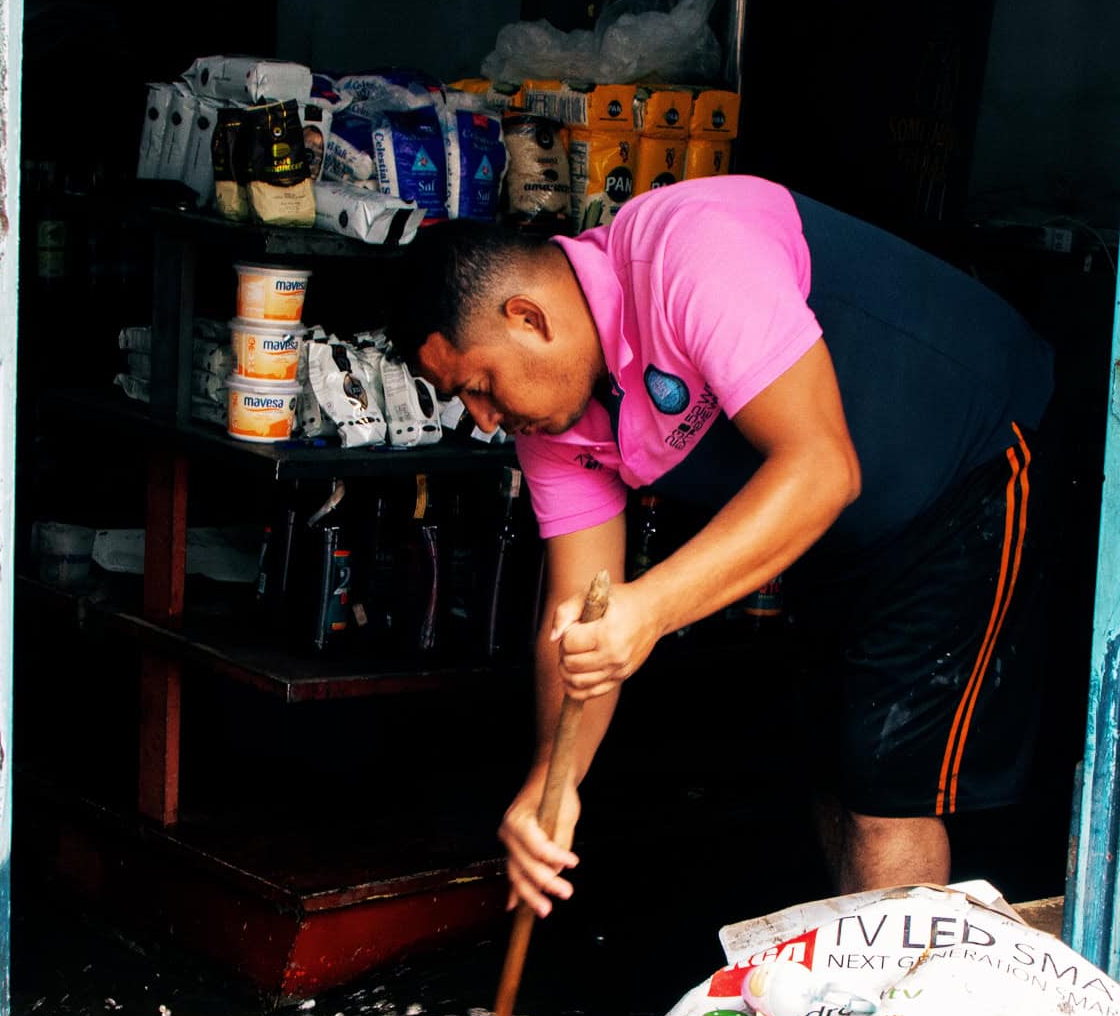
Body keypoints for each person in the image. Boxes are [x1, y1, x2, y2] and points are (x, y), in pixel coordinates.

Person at [389, 175, 1054, 911]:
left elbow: (820, 467)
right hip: (836, 529)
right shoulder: (554, 420)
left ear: (528, 318)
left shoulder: (691, 252)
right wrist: (552, 784)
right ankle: (841, 1005)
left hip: (968, 464)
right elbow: (584, 614)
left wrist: (649, 610)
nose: (483, 419)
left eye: (480, 384)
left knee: (883, 783)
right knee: (830, 766)